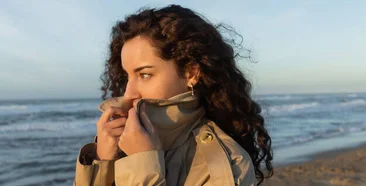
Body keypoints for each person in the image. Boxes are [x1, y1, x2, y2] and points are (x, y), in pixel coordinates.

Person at [74, 4, 273, 186]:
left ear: (191, 73)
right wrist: (102, 162)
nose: (129, 92)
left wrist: (142, 164)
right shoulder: (119, 145)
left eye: (144, 74)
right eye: (128, 76)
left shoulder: (229, 166)